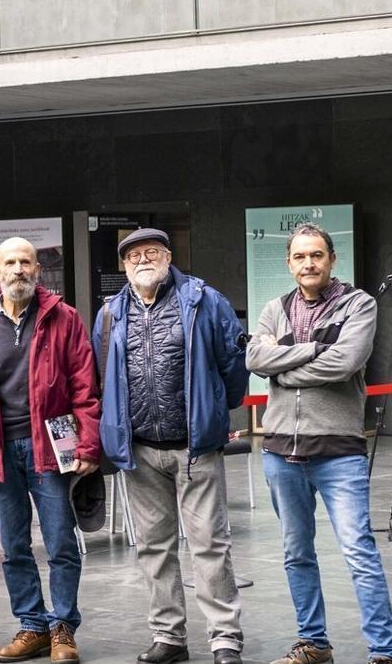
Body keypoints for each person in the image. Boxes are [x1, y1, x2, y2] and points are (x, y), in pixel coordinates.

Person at [92, 228, 247, 664]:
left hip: (194, 447)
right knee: (154, 547)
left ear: (168, 256)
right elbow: (102, 376)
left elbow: (233, 365)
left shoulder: (202, 300)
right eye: (134, 255)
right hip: (139, 451)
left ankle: (224, 640)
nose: (143, 260)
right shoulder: (110, 314)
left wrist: (218, 411)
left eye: (151, 252)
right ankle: (169, 636)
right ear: (123, 266)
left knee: (210, 545)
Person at [246, 223, 392, 664]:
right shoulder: (275, 308)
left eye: (317, 255)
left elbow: (346, 361)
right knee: (296, 554)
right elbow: (255, 358)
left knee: (359, 553)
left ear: (332, 259)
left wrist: (285, 362)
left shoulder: (359, 304)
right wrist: (316, 349)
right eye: (299, 256)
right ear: (289, 263)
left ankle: (383, 653)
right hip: (281, 454)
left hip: (338, 452)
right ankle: (314, 644)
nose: (308, 263)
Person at [0, 237, 100, 664]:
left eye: (26, 262)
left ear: (38, 270)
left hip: (50, 445)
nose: (18, 269)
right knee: (13, 546)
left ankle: (63, 627)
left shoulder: (64, 319)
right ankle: (32, 626)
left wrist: (87, 443)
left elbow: (85, 388)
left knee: (60, 542)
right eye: (9, 262)